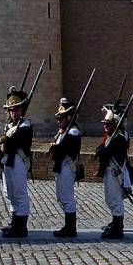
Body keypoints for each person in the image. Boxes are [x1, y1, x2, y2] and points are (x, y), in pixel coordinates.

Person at [0, 86, 33, 238]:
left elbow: (11, 144)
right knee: (9, 192)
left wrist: (3, 143)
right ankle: (14, 221)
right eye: (12, 110)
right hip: (8, 161)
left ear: (22, 110)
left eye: (17, 110)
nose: (14, 113)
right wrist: (3, 143)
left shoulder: (25, 126)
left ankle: (21, 226)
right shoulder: (10, 126)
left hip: (18, 161)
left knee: (19, 193)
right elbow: (0, 143)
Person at [94, 103, 131, 240]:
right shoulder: (112, 137)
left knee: (115, 200)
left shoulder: (119, 138)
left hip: (115, 171)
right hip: (110, 171)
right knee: (111, 199)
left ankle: (117, 228)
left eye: (108, 124)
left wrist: (101, 150)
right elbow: (100, 149)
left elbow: (104, 151)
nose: (105, 126)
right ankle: (116, 225)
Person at [49, 98, 82, 238]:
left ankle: (70, 227)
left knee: (67, 197)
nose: (59, 121)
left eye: (61, 118)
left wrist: (55, 148)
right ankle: (68, 226)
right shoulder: (64, 132)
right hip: (62, 166)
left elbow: (62, 149)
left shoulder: (73, 132)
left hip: (68, 166)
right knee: (62, 196)